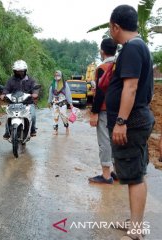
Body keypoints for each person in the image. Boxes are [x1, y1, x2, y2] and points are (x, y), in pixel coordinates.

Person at [107, 5, 154, 240]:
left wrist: (121, 121)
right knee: (135, 172)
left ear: (116, 26)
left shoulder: (133, 49)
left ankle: (136, 230)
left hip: (132, 121)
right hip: (137, 118)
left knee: (134, 175)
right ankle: (134, 221)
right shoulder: (138, 46)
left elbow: (131, 86)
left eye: (109, 26)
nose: (109, 31)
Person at [88, 38, 118, 184]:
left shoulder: (103, 68)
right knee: (116, 140)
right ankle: (117, 172)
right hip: (120, 110)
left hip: (105, 109)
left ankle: (106, 175)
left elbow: (100, 92)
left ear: (102, 51)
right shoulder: (119, 65)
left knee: (104, 141)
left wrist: (94, 112)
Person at [0, 60, 39, 139]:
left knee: (33, 116)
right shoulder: (11, 80)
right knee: (8, 116)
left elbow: (35, 87)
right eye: (17, 71)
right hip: (13, 103)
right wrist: (3, 94)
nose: (19, 73)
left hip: (27, 103)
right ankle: (7, 132)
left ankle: (32, 130)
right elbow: (6, 88)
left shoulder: (31, 80)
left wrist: (35, 93)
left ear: (25, 71)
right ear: (14, 71)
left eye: (21, 71)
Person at [47, 70, 73, 135]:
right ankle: (55, 130)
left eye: (58, 75)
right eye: (55, 75)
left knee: (64, 116)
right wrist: (49, 102)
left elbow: (68, 93)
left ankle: (67, 128)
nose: (57, 77)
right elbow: (50, 93)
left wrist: (70, 103)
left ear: (61, 76)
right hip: (55, 102)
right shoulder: (53, 84)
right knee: (55, 116)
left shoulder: (64, 84)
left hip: (63, 102)